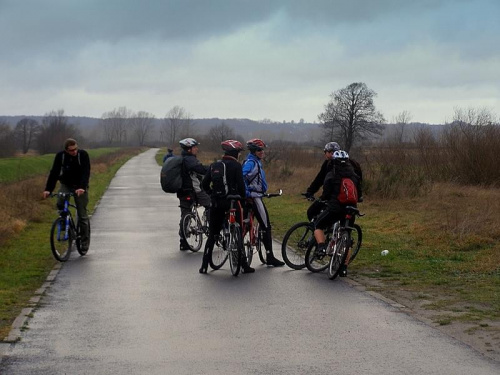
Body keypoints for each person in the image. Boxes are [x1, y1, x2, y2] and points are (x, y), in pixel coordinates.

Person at [199, 140, 254, 274]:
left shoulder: (215, 165)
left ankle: (204, 266)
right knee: (239, 230)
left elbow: (204, 185)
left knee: (212, 234)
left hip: (216, 203)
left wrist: (212, 194)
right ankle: (243, 265)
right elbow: (241, 187)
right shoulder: (236, 165)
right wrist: (242, 197)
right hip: (232, 202)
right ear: (236, 153)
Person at [308, 150, 360, 277]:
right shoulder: (354, 176)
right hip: (351, 209)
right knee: (346, 236)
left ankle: (321, 247)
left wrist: (324, 199)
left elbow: (326, 194)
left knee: (318, 225)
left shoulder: (332, 174)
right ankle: (343, 268)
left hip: (335, 208)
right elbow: (359, 193)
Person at [42, 138, 91, 251]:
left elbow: (86, 172)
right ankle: (64, 222)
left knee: (82, 215)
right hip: (66, 184)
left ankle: (84, 241)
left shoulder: (82, 155)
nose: (74, 152)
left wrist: (82, 187)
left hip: (80, 186)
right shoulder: (61, 156)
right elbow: (54, 172)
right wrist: (48, 189)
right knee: (60, 202)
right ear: (66, 150)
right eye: (71, 150)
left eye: (75, 149)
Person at [242, 138, 284, 267]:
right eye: (260, 150)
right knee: (266, 226)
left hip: (255, 196)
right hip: (254, 198)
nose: (262, 152)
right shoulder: (251, 163)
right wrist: (248, 192)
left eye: (262, 150)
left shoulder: (255, 162)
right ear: (254, 151)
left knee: (245, 225)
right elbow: (242, 177)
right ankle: (270, 256)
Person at [303, 141, 363, 221]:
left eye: (326, 152)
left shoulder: (329, 164)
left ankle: (319, 230)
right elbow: (358, 181)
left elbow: (319, 179)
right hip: (350, 199)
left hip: (334, 199)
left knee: (311, 212)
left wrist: (310, 192)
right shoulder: (353, 164)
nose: (325, 154)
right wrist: (358, 196)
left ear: (331, 153)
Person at [177, 138, 211, 251]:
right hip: (194, 191)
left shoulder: (181, 159)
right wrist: (212, 168)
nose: (197, 149)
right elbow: (200, 169)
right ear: (189, 149)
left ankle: (183, 241)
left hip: (182, 191)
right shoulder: (190, 159)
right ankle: (213, 231)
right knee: (211, 205)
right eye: (195, 147)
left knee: (185, 214)